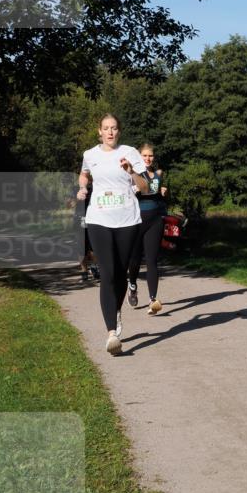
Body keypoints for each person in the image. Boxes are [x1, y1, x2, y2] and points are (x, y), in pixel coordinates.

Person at [78, 114, 148, 355]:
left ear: (119, 131)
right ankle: (111, 334)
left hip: (127, 219)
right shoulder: (90, 155)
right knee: (107, 272)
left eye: (114, 128)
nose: (110, 132)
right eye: (106, 128)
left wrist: (131, 171)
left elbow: (145, 187)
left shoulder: (130, 153)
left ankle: (116, 310)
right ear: (99, 131)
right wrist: (83, 186)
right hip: (99, 219)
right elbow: (84, 173)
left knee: (120, 272)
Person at [126, 143, 168, 314]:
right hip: (136, 220)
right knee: (135, 260)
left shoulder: (158, 174)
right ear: (139, 157)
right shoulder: (131, 174)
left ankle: (152, 299)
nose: (148, 158)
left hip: (155, 220)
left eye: (150, 155)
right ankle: (133, 285)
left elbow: (156, 196)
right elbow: (131, 193)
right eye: (144, 155)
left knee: (152, 260)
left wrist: (164, 192)